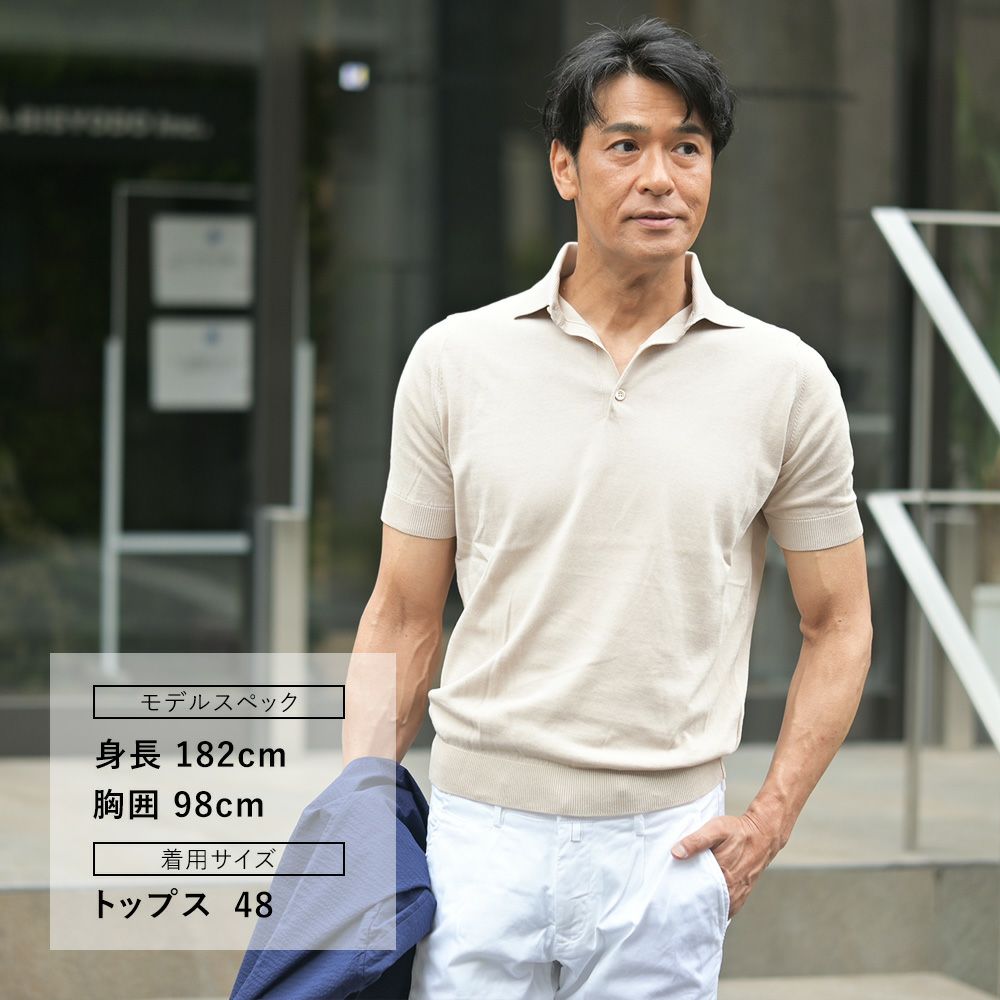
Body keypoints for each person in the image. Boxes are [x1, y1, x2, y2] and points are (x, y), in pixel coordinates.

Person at [343, 15, 873, 999]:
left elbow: (839, 621)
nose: (659, 178)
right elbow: (404, 612)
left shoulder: (785, 379)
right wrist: (360, 811)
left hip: (667, 851)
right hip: (480, 841)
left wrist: (770, 818)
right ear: (564, 166)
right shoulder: (456, 360)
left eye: (687, 149)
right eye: (625, 146)